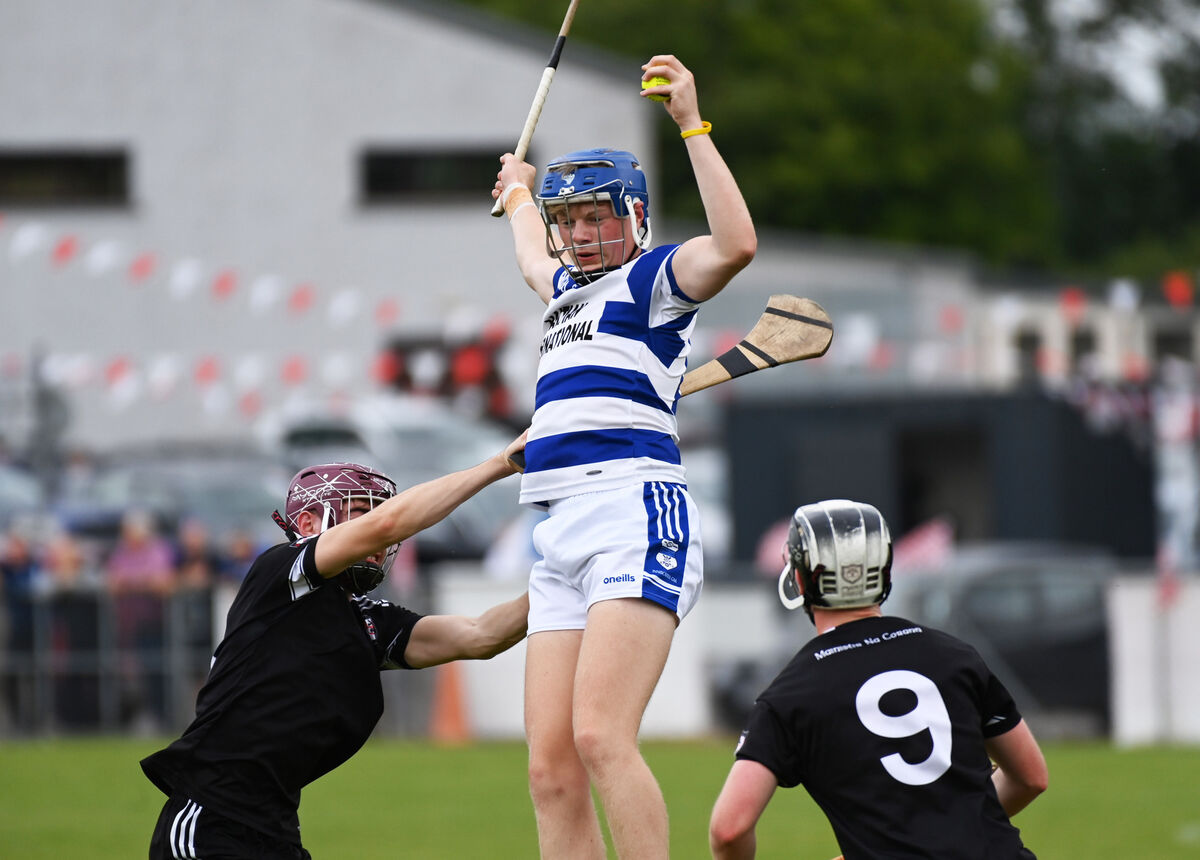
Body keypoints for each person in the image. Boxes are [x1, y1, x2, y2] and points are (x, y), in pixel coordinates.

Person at [491, 54, 756, 859]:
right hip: (558, 529)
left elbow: (738, 244)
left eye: (596, 216)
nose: (580, 233)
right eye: (570, 220)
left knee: (602, 737)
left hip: (632, 511)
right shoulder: (565, 295)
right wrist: (518, 197)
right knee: (551, 769)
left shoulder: (653, 280)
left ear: (634, 216)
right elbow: (534, 255)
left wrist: (691, 125)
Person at [141, 437, 530, 860]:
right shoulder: (279, 573)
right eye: (363, 512)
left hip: (276, 830)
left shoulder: (368, 622)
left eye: (380, 511)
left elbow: (482, 634)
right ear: (308, 525)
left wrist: (568, 573)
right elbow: (389, 526)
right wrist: (499, 464)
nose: (379, 529)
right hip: (210, 822)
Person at [708, 500, 1048, 860]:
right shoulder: (955, 655)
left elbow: (730, 829)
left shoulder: (790, 693)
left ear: (800, 578)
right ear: (885, 572)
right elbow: (1031, 778)